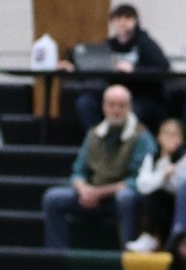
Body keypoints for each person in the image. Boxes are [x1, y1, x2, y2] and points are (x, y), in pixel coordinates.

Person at [42, 86, 155, 251]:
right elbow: (78, 171)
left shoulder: (142, 137)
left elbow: (138, 180)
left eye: (121, 105)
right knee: (53, 198)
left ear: (129, 108)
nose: (115, 110)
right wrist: (84, 189)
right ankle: (56, 256)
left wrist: (99, 193)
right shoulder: (93, 134)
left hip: (120, 197)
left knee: (126, 197)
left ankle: (127, 255)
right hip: (92, 195)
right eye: (111, 105)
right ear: (103, 107)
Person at [66, 4, 169, 131]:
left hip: (141, 95)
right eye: (118, 18)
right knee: (86, 103)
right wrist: (74, 68)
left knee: (133, 110)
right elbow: (95, 66)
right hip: (111, 93)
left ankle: (125, 144)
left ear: (135, 21)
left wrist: (134, 70)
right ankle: (97, 139)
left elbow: (163, 68)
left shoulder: (145, 43)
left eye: (127, 18)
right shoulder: (109, 45)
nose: (122, 23)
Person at [131, 119, 186, 252]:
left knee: (159, 196)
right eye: (166, 133)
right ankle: (148, 237)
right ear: (159, 137)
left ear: (182, 139)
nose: (169, 138)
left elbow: (179, 189)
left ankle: (163, 240)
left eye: (174, 135)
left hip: (175, 206)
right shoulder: (151, 157)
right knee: (151, 195)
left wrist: (167, 167)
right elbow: (142, 185)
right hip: (154, 204)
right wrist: (163, 174)